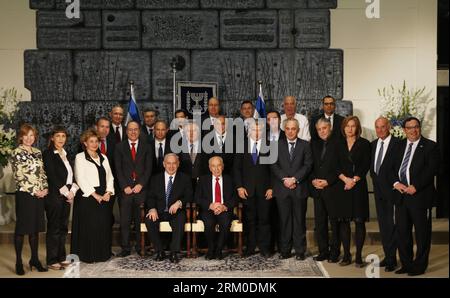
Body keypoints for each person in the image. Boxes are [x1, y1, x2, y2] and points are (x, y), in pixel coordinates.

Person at [388, 117, 439, 276]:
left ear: (419, 128)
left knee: (422, 234)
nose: (413, 130)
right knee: (402, 233)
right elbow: (389, 168)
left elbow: (431, 170)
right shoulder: (399, 145)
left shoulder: (430, 146)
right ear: (404, 130)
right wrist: (396, 183)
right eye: (409, 127)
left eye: (416, 127)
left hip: (420, 197)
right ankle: (406, 264)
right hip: (402, 197)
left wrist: (415, 186)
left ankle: (419, 266)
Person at [271, 118, 313, 260]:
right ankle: (285, 251)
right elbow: (273, 165)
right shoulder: (276, 145)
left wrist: (294, 179)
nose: (290, 131)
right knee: (284, 221)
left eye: (293, 129)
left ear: (298, 130)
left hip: (299, 189)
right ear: (285, 129)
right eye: (287, 129)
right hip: (282, 189)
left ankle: (300, 251)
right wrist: (285, 179)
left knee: (299, 221)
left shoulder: (305, 145)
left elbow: (308, 165)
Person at [10, 124, 48, 275]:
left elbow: (42, 173)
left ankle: (34, 259)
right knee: (22, 229)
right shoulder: (16, 152)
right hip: (25, 195)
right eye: (26, 135)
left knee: (35, 229)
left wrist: (45, 188)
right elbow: (18, 176)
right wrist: (35, 191)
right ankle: (18, 261)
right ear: (21, 136)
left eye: (32, 135)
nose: (29, 138)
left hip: (39, 195)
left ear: (35, 137)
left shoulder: (38, 152)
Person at [72, 129, 115, 263]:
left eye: (96, 141)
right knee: (89, 227)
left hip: (104, 196)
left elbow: (110, 177)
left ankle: (102, 254)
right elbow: (80, 178)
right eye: (91, 141)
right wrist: (95, 195)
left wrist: (108, 192)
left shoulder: (104, 157)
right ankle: (88, 255)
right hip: (87, 197)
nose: (94, 144)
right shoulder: (80, 157)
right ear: (85, 143)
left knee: (103, 226)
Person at [233, 121, 273, 258]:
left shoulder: (269, 145)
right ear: (248, 131)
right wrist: (239, 187)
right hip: (246, 191)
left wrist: (272, 187)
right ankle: (250, 247)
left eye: (259, 130)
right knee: (249, 220)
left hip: (264, 190)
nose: (256, 133)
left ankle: (264, 248)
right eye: (254, 130)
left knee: (265, 220)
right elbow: (236, 169)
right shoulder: (241, 145)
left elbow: (273, 169)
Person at [336, 116, 371, 267]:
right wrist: (345, 179)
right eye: (347, 126)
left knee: (359, 221)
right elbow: (334, 165)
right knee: (344, 222)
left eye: (353, 126)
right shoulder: (337, 144)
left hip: (358, 187)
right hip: (343, 187)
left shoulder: (364, 144)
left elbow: (365, 165)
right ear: (343, 128)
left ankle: (358, 257)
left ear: (357, 128)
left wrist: (354, 180)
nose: (350, 129)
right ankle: (346, 256)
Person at [145, 153, 193, 263]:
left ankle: (174, 252)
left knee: (180, 218)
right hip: (159, 211)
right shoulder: (155, 179)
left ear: (178, 164)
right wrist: (152, 208)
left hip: (176, 211)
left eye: (174, 163)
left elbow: (189, 195)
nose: (171, 166)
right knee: (149, 219)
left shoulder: (185, 178)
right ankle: (159, 251)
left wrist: (179, 203)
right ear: (164, 164)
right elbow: (150, 197)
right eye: (168, 163)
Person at [114, 121, 153, 257]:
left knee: (139, 221)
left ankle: (139, 246)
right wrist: (125, 186)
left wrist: (140, 184)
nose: (133, 132)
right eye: (130, 130)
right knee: (124, 221)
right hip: (125, 191)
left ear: (139, 131)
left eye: (135, 129)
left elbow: (149, 168)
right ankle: (125, 248)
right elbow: (117, 169)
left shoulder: (147, 147)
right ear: (126, 131)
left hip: (141, 190)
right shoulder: (119, 147)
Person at [43, 127, 79, 270]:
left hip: (66, 196)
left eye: (63, 136)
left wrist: (73, 192)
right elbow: (52, 176)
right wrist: (66, 193)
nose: (61, 139)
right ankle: (52, 260)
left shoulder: (66, 153)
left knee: (63, 228)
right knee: (54, 228)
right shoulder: (48, 154)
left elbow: (72, 175)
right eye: (58, 136)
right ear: (52, 138)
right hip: (54, 197)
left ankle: (61, 257)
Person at [369, 117, 400, 272]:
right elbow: (374, 170)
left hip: (393, 192)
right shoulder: (373, 145)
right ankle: (388, 256)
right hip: (378, 192)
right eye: (377, 127)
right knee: (384, 226)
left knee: (393, 226)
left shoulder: (398, 144)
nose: (380, 130)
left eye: (382, 127)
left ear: (388, 127)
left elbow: (398, 169)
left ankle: (393, 259)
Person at [309, 118, 341, 262]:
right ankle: (323, 251)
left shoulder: (338, 143)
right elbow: (310, 165)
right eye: (319, 129)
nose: (322, 131)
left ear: (330, 128)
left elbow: (340, 167)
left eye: (324, 128)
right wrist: (314, 180)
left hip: (332, 188)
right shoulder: (313, 144)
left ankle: (335, 253)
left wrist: (328, 181)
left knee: (334, 223)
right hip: (317, 189)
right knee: (320, 223)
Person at [196, 156, 237, 260]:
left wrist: (224, 206)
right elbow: (197, 198)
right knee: (209, 224)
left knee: (226, 223)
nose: (216, 169)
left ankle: (218, 249)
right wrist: (210, 205)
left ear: (222, 167)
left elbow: (235, 198)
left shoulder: (229, 179)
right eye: (213, 166)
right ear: (210, 168)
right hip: (209, 210)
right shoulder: (203, 179)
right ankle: (211, 248)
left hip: (224, 209)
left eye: (219, 165)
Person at [178, 121, 207, 192]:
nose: (191, 133)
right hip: (184, 184)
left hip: (203, 184)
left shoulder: (206, 145)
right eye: (188, 131)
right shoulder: (178, 145)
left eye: (194, 131)